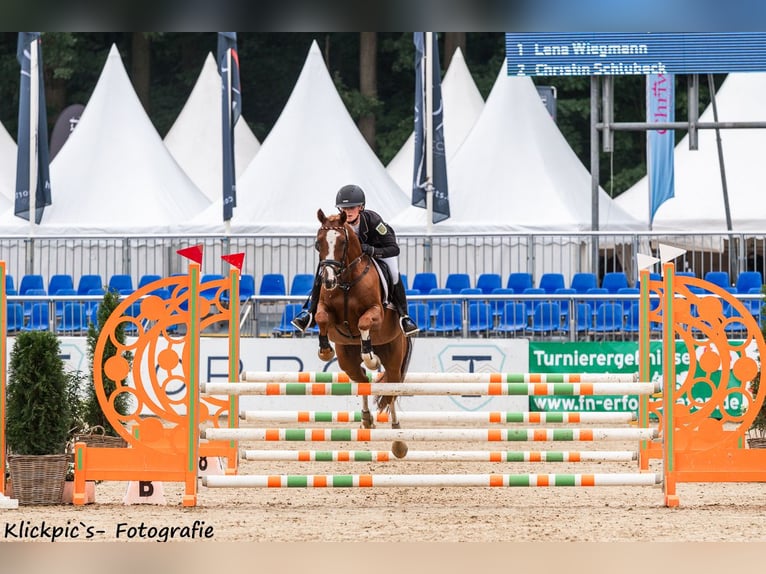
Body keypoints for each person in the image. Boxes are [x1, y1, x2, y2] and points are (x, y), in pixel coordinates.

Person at [291, 184, 419, 336]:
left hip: (379, 253)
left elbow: (393, 248)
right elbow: (323, 243)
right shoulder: (337, 225)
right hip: (351, 260)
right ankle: (309, 313)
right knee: (322, 271)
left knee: (394, 273)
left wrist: (371, 250)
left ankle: (404, 316)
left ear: (361, 207)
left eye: (352, 207)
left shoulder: (374, 221)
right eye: (344, 208)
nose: (348, 211)